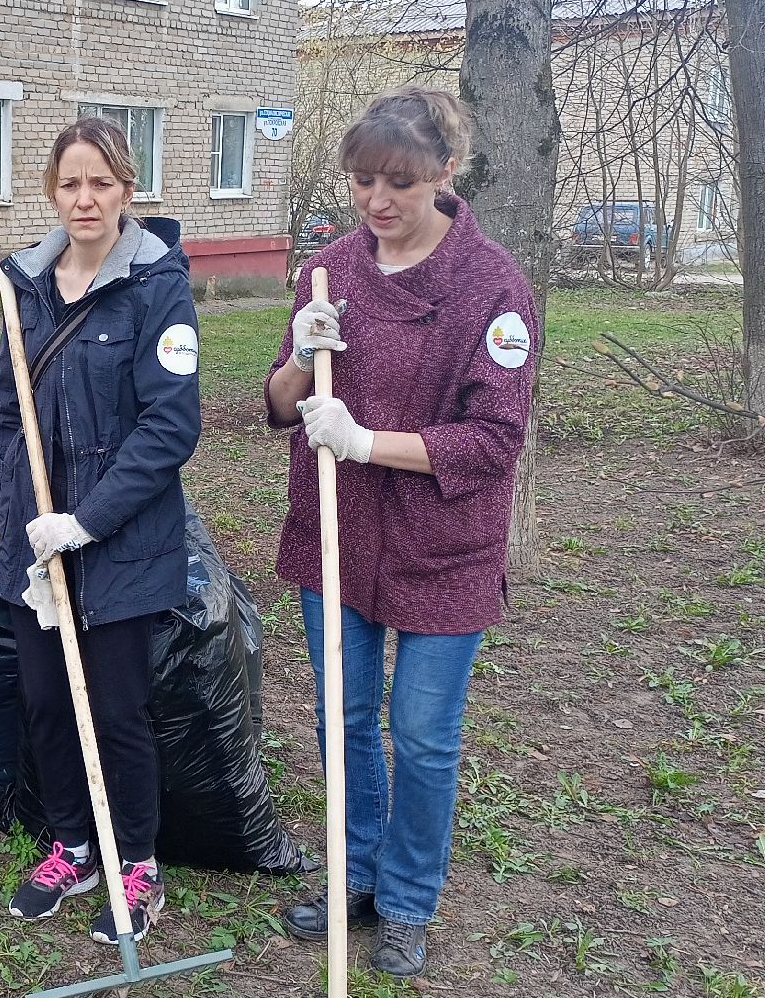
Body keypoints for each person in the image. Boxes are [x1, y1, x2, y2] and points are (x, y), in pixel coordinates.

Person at [265, 86, 536, 978]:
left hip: (440, 547)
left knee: (421, 734)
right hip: (334, 533)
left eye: (398, 183)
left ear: (444, 174)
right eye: (361, 182)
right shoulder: (331, 269)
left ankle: (410, 900)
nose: (377, 202)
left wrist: (364, 441)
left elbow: (493, 441)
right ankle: (358, 873)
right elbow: (273, 403)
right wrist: (302, 358)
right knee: (342, 720)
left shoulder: (491, 287)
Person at [0, 116, 201, 945]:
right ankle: (71, 844)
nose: (85, 199)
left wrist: (87, 520)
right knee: (44, 702)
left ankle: (136, 862)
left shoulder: (158, 287)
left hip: (120, 542)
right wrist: (19, 514)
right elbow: (8, 414)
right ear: (52, 189)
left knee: (114, 709)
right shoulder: (23, 286)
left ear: (126, 189)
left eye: (101, 182)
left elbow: (168, 425)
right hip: (33, 538)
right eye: (70, 182)